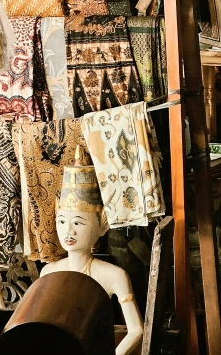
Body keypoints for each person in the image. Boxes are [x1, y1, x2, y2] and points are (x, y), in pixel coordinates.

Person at [41, 146, 143, 355]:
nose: (68, 231)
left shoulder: (114, 275)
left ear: (102, 225)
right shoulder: (48, 272)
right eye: (61, 221)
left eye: (78, 223)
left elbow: (136, 330)